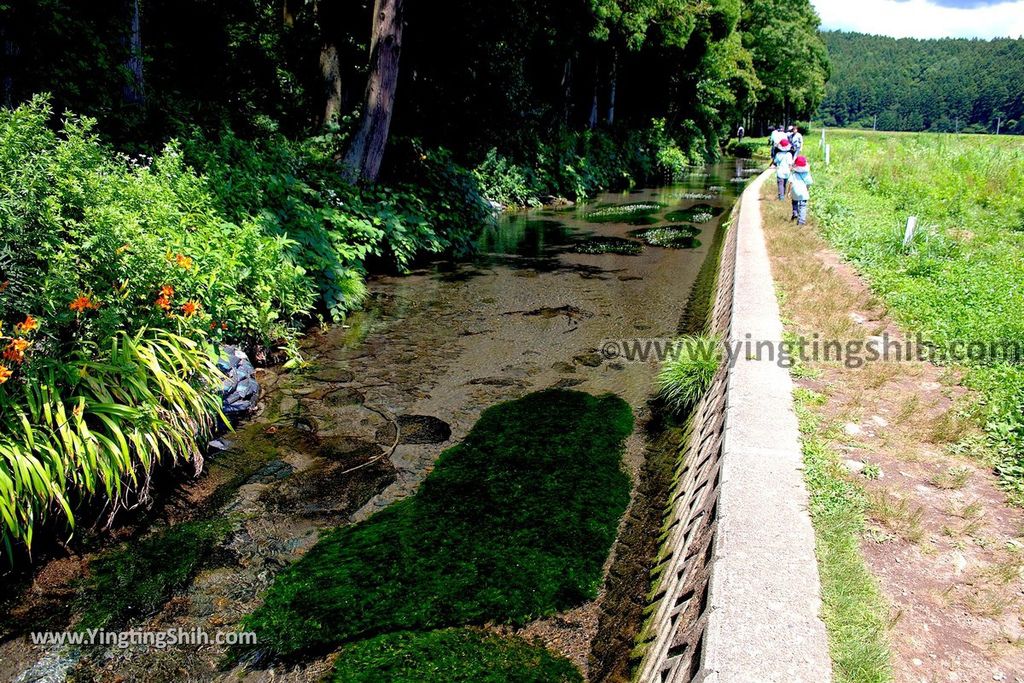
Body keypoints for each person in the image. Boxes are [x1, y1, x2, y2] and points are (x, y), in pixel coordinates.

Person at [790, 155, 813, 224]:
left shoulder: (794, 174)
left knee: (794, 202)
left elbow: (790, 183)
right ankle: (801, 221)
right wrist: (807, 189)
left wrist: (789, 192)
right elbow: (809, 183)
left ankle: (795, 212)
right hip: (803, 191)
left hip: (795, 191)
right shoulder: (807, 174)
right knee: (803, 206)